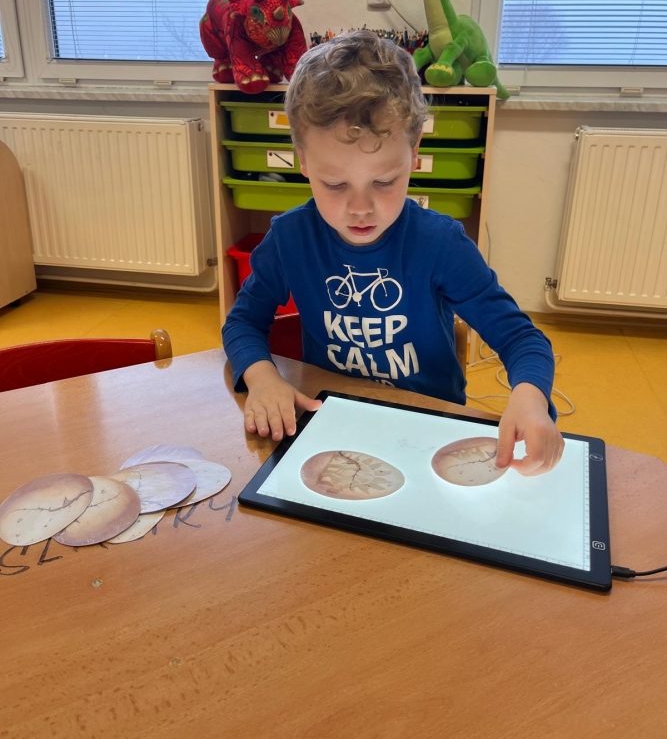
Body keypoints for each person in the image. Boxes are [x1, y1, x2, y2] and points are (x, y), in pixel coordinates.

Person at [222, 30, 564, 476]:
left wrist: (531, 399)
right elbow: (243, 322)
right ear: (302, 160)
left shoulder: (440, 244)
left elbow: (522, 339)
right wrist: (263, 377)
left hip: (428, 432)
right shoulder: (289, 239)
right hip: (335, 427)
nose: (360, 207)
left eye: (384, 181)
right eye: (335, 184)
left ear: (414, 153)